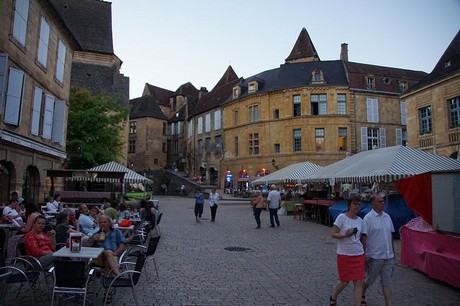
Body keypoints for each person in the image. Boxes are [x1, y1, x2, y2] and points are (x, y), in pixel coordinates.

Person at [360, 193, 395, 306]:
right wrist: (364, 254)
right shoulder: (368, 219)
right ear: (373, 204)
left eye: (383, 201)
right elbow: (363, 238)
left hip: (388, 256)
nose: (382, 203)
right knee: (369, 280)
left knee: (387, 282)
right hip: (374, 256)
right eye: (379, 201)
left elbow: (390, 236)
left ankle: (389, 303)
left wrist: (393, 253)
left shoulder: (387, 217)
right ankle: (361, 294)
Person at [329, 195, 364, 306]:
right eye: (354, 204)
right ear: (349, 205)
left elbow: (361, 238)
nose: (357, 206)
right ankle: (334, 296)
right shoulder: (342, 217)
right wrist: (346, 235)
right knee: (344, 281)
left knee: (358, 282)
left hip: (358, 254)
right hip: (344, 254)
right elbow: (333, 234)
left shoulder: (360, 220)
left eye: (358, 204)